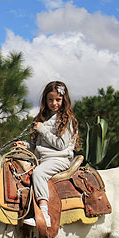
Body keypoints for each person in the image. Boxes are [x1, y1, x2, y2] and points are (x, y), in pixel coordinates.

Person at [17, 81, 79, 227]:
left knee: (39, 173)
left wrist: (42, 129)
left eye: (58, 99)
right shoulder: (43, 118)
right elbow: (37, 146)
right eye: (50, 99)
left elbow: (61, 145)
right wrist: (24, 145)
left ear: (64, 100)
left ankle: (44, 214)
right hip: (43, 158)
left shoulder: (66, 120)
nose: (54, 103)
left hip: (59, 159)